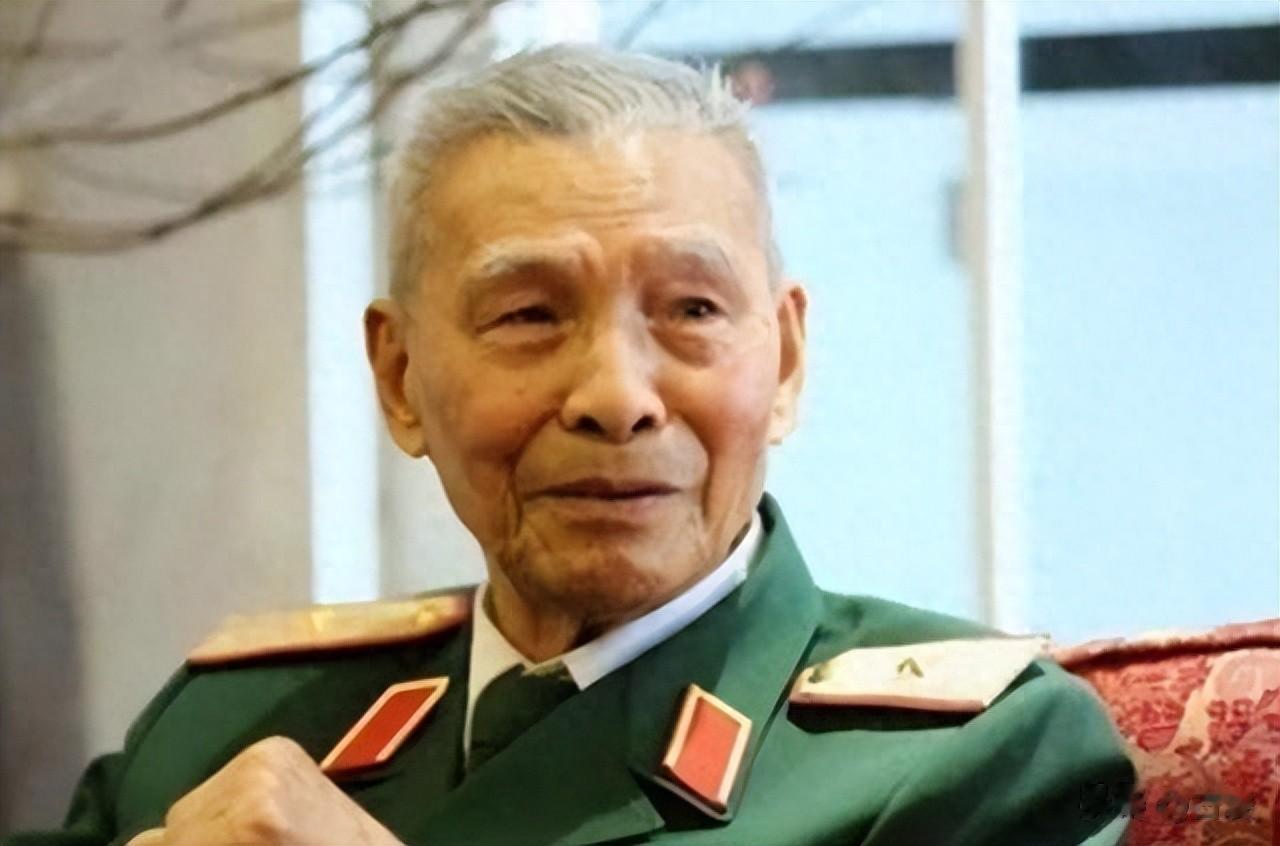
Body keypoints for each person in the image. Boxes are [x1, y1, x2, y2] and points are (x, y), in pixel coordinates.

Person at [10, 45, 1135, 846]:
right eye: (529, 315)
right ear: (399, 378)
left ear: (785, 362)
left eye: (690, 310)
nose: (616, 397)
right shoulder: (234, 730)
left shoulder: (969, 760)